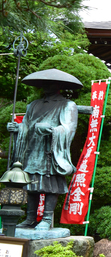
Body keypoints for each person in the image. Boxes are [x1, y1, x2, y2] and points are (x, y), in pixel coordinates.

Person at [6, 69, 80, 231]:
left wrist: (52, 130)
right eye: (44, 83)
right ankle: (30, 217)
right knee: (31, 184)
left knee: (51, 184)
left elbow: (69, 128)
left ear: (59, 86)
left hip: (50, 150)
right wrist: (17, 128)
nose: (46, 86)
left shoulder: (67, 105)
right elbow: (25, 125)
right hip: (33, 148)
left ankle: (46, 218)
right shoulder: (34, 105)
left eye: (50, 83)